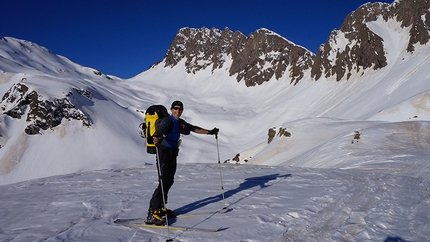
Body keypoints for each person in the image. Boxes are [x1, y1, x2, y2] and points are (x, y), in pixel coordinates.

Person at [146, 100, 219, 225]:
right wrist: (156, 136)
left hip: (172, 153)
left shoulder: (180, 123)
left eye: (180, 109)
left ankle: (161, 207)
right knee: (164, 181)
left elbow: (194, 128)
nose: (177, 111)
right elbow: (160, 130)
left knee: (169, 180)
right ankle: (152, 212)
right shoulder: (167, 121)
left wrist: (210, 132)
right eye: (175, 108)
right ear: (171, 109)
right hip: (163, 152)